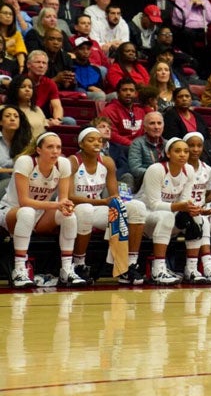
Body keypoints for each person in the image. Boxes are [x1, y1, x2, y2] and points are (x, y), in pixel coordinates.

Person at [0, 131, 85, 288]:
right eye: (50, 147)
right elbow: (24, 201)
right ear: (39, 150)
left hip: (40, 215)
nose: (55, 151)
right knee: (27, 212)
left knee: (69, 216)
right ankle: (19, 269)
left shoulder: (63, 164)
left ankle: (66, 269)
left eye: (58, 147)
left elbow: (63, 200)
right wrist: (57, 205)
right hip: (12, 211)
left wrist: (67, 206)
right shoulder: (26, 162)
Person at [69, 127, 148, 285]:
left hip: (97, 207)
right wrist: (103, 202)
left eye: (99, 140)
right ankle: (79, 264)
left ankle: (128, 264)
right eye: (91, 140)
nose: (97, 143)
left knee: (137, 207)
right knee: (85, 210)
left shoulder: (107, 162)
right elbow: (69, 197)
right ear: (81, 144)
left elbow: (114, 195)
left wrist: (117, 204)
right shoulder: (73, 161)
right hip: (73, 208)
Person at [136, 137, 197, 285]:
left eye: (186, 151)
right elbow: (154, 204)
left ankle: (193, 269)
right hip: (144, 217)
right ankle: (159, 269)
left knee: (200, 220)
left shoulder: (189, 170)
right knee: (166, 216)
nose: (183, 154)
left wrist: (193, 209)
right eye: (178, 151)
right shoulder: (156, 169)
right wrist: (182, 207)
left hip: (169, 216)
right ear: (168, 153)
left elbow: (185, 201)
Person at [181, 131, 211, 283]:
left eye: (199, 146)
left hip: (200, 210)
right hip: (183, 212)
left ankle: (205, 267)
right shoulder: (180, 168)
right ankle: (206, 265)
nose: (195, 149)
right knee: (201, 219)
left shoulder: (207, 169)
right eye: (191, 146)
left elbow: (205, 198)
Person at [0, 105, 32, 195]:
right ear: (1, 122)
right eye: (7, 116)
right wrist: (15, 171)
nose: (12, 119)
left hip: (21, 180)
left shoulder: (27, 142)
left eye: (16, 116)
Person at [7, 74, 45, 141]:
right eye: (23, 87)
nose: (27, 90)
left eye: (30, 87)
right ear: (15, 89)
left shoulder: (37, 110)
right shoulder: (4, 109)